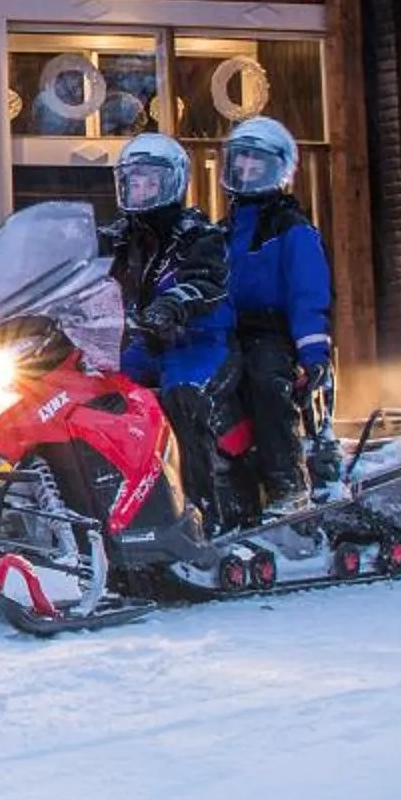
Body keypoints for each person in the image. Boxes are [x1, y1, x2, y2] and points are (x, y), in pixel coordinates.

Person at [102, 131, 233, 520]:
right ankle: (112, 502)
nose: (140, 190)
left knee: (182, 397)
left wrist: (173, 304)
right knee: (101, 393)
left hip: (196, 341)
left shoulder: (199, 235)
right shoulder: (118, 238)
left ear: (172, 183)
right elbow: (84, 274)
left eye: (150, 182)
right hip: (144, 343)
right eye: (134, 181)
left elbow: (205, 280)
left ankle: (202, 510)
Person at [219, 115, 334, 513]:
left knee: (266, 382)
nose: (248, 168)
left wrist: (313, 352)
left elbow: (308, 292)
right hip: (227, 332)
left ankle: (288, 482)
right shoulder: (221, 231)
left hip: (272, 332)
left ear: (279, 169)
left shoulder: (291, 228)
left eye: (258, 162)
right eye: (241, 159)